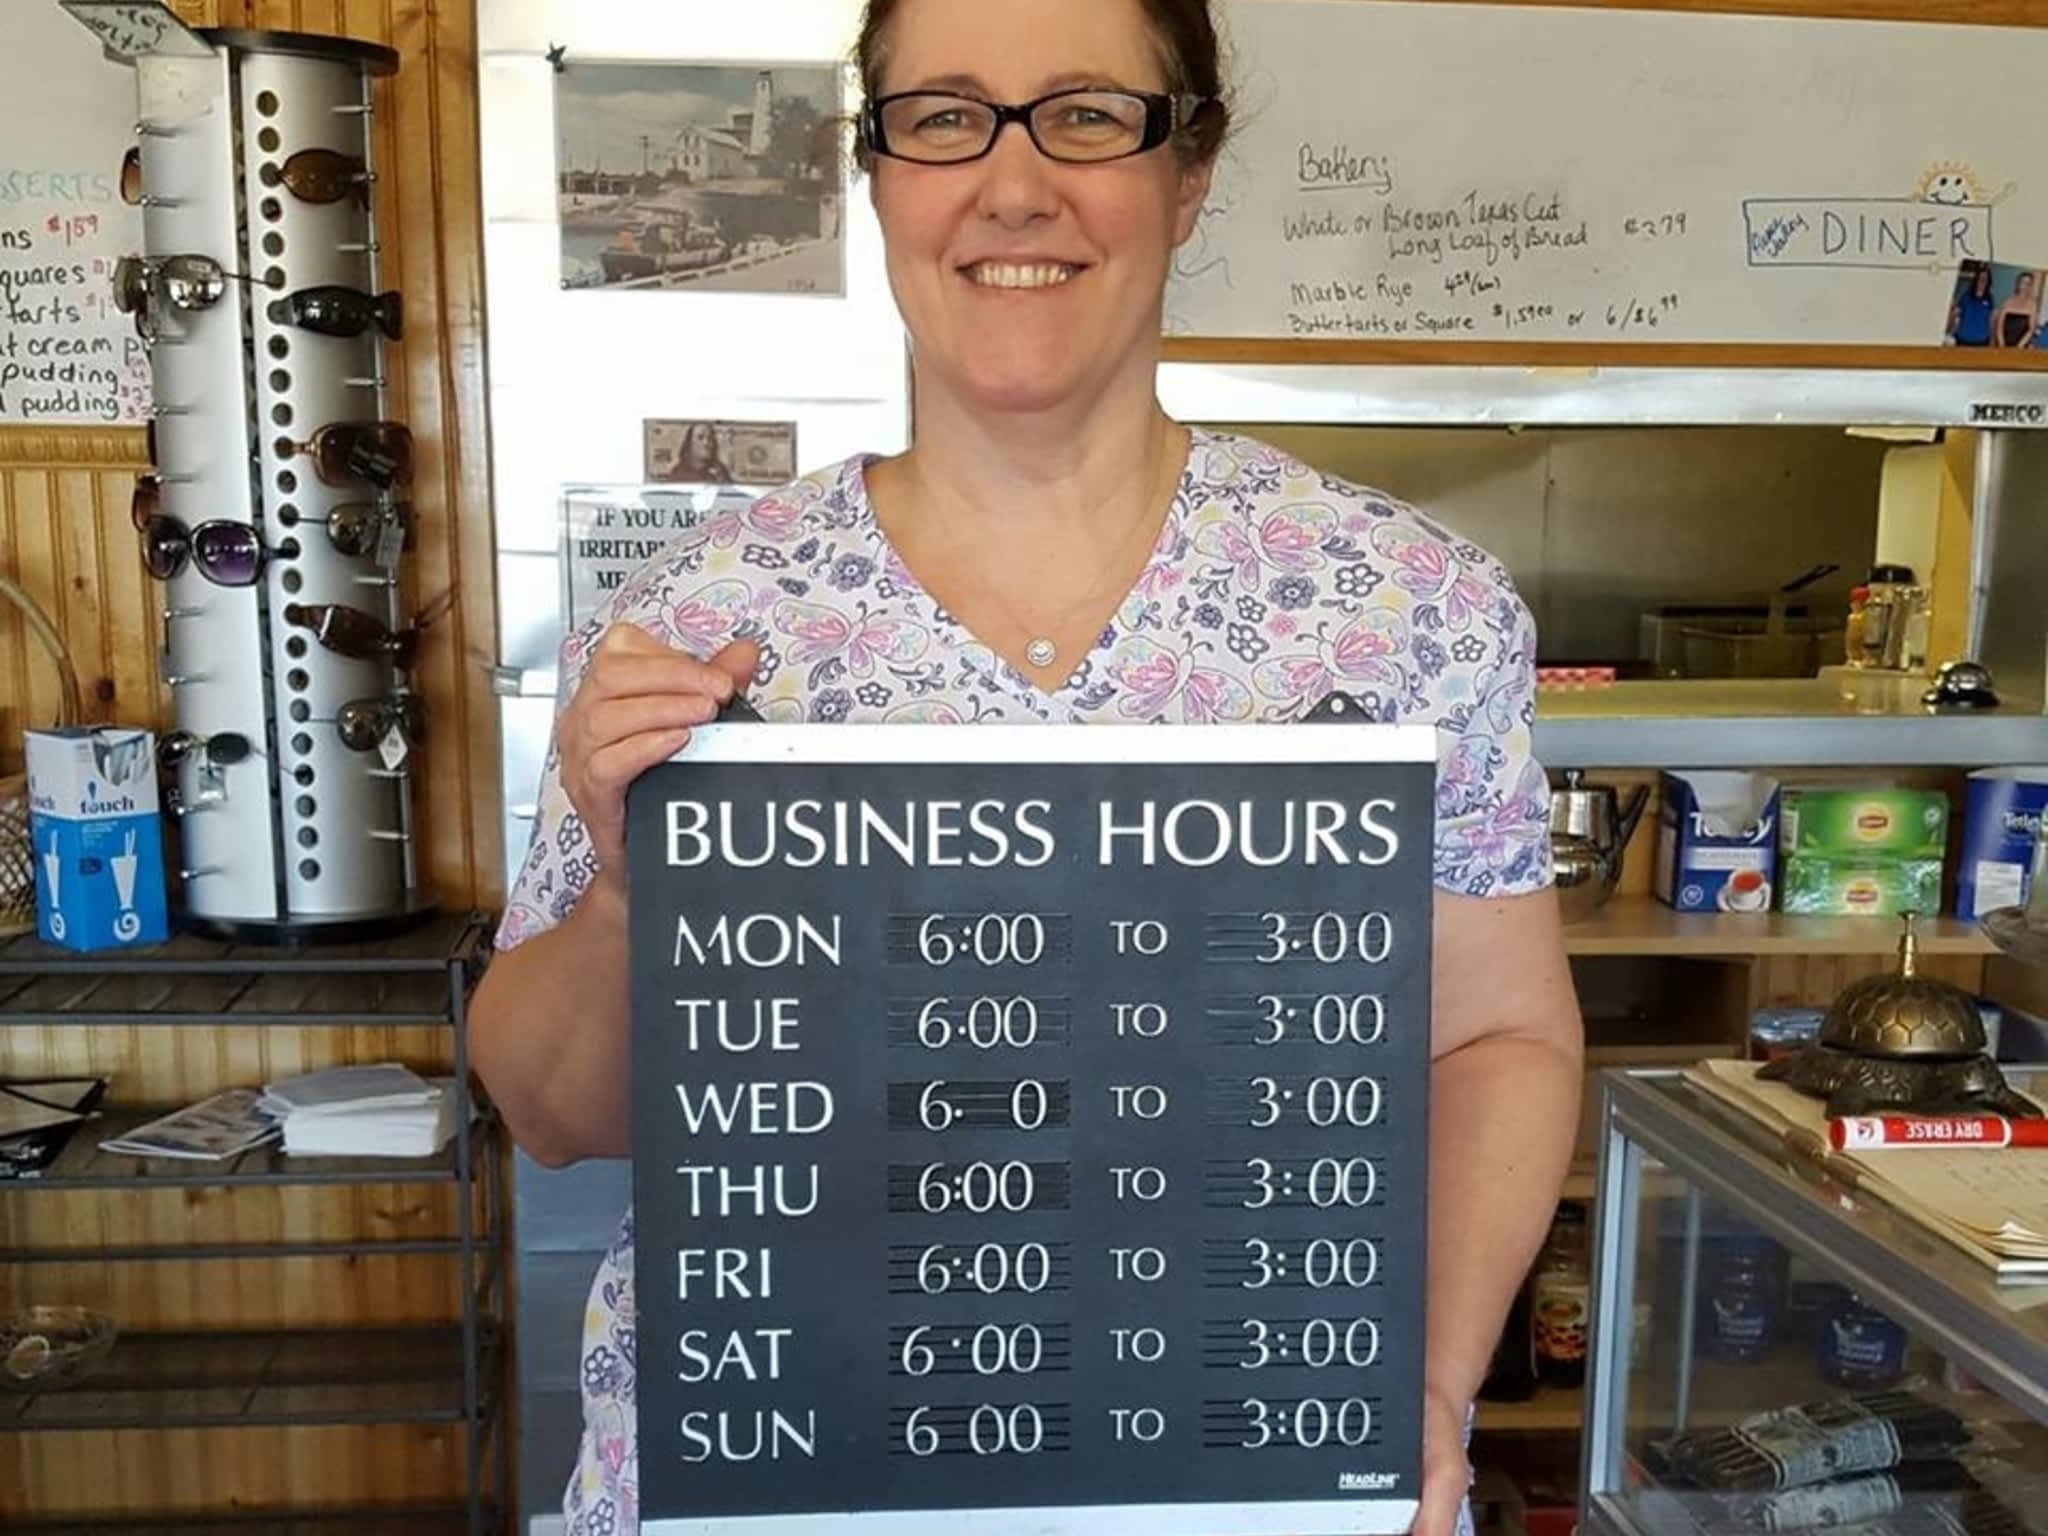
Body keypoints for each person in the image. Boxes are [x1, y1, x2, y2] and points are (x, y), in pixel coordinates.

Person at [473, 2, 1583, 1533]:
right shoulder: (701, 616)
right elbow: (554, 1113)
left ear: (1186, 173)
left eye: (1084, 114)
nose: (1011, 184)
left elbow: (1498, 1041)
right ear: (875, 178)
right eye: (943, 116)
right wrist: (618, 890)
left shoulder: (1407, 603)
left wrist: (1429, 1385)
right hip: (778, 1469)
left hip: (1247, 1463)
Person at [664, 418, 734, 482]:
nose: (706, 443)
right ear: (690, 443)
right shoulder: (678, 474)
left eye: (710, 438)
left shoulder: (721, 472)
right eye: (700, 438)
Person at [1947, 262, 1994, 347]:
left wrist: (1992, 341)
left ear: (1988, 282)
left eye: (1985, 279)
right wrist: (1948, 332)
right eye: (1980, 278)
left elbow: (1990, 320)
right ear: (1976, 280)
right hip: (1963, 340)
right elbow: (1955, 314)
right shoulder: (1966, 296)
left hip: (1981, 342)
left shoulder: (1989, 298)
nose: (1982, 281)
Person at [1991, 268, 2038, 349]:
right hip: (2003, 345)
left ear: (2031, 286)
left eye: (2028, 283)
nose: (2025, 286)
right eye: (2023, 282)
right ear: (2018, 283)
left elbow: (2031, 330)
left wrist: (2019, 347)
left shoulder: (2032, 305)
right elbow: (1999, 327)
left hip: (2021, 347)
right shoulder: (2007, 302)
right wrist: (2002, 345)